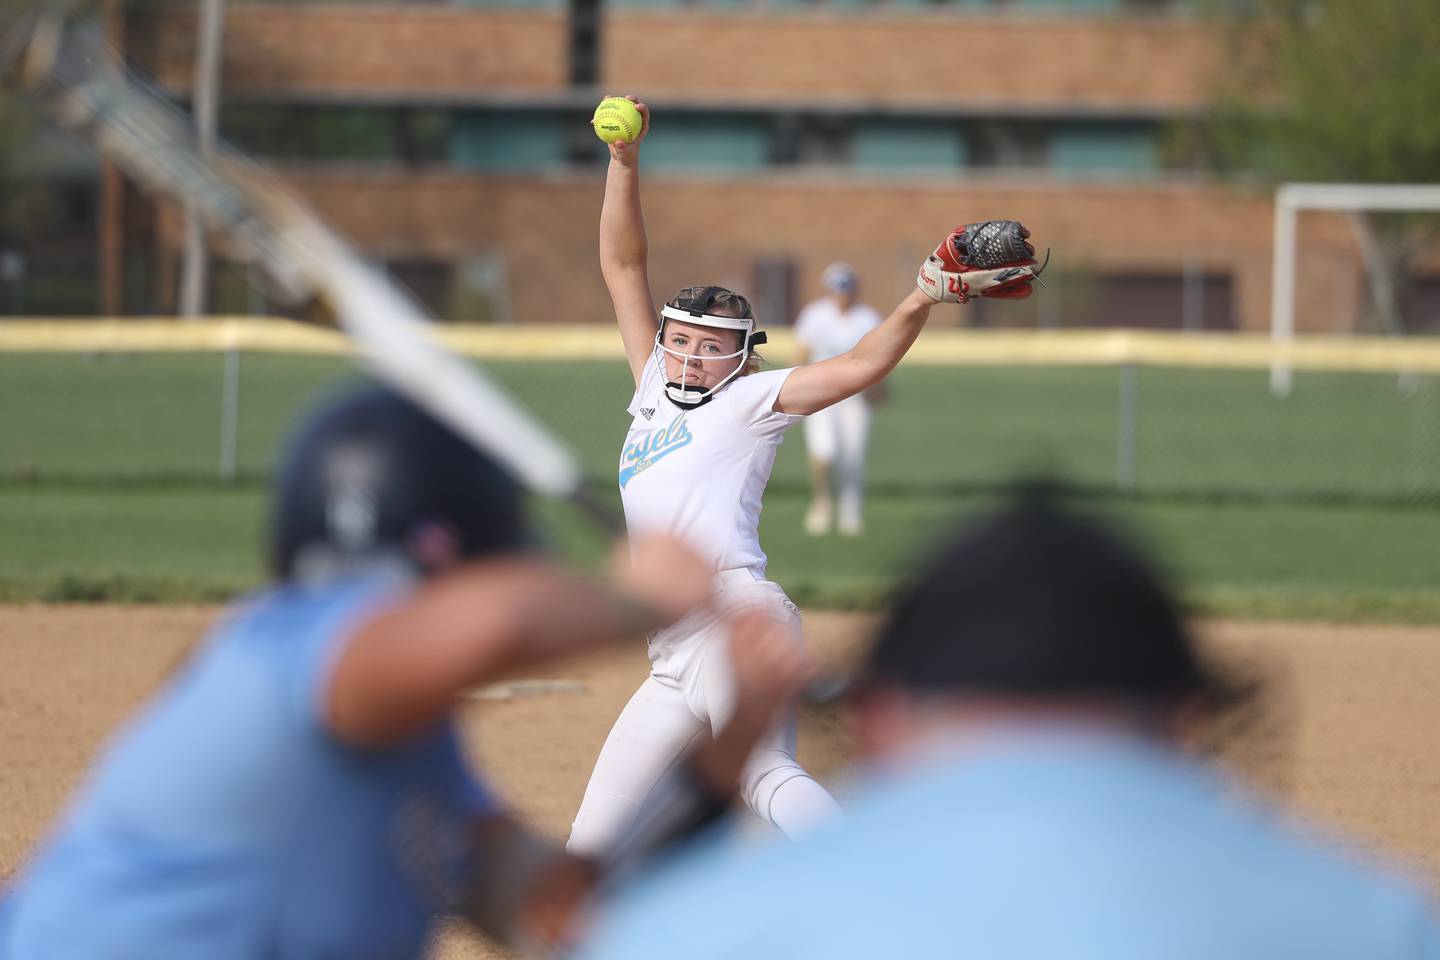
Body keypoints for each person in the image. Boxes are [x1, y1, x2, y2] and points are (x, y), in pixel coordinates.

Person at [0, 385, 810, 959]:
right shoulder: (278, 650)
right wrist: (635, 597)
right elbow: (490, 622)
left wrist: (723, 754)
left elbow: (569, 914)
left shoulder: (426, 775)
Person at [575, 492, 1440, 960]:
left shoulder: (725, 927)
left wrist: (720, 763)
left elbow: (609, 928)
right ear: (1188, 720)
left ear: (878, 720)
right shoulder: (1384, 921)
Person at [567, 95, 1042, 861]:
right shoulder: (653, 386)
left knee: (762, 777)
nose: (688, 356)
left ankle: (886, 868)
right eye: (680, 340)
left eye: (708, 346)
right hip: (671, 656)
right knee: (589, 846)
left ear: (741, 354)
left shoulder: (752, 397)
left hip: (734, 618)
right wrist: (623, 163)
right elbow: (622, 264)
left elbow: (859, 365)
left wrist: (922, 295)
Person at [794, 261, 886, 537]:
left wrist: (879, 387)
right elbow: (802, 352)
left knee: (853, 456)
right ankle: (822, 501)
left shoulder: (867, 317)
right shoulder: (815, 315)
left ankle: (850, 512)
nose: (843, 294)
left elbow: (878, 356)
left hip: (855, 396)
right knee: (825, 451)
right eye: (838, 288)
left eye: (847, 288)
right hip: (821, 394)